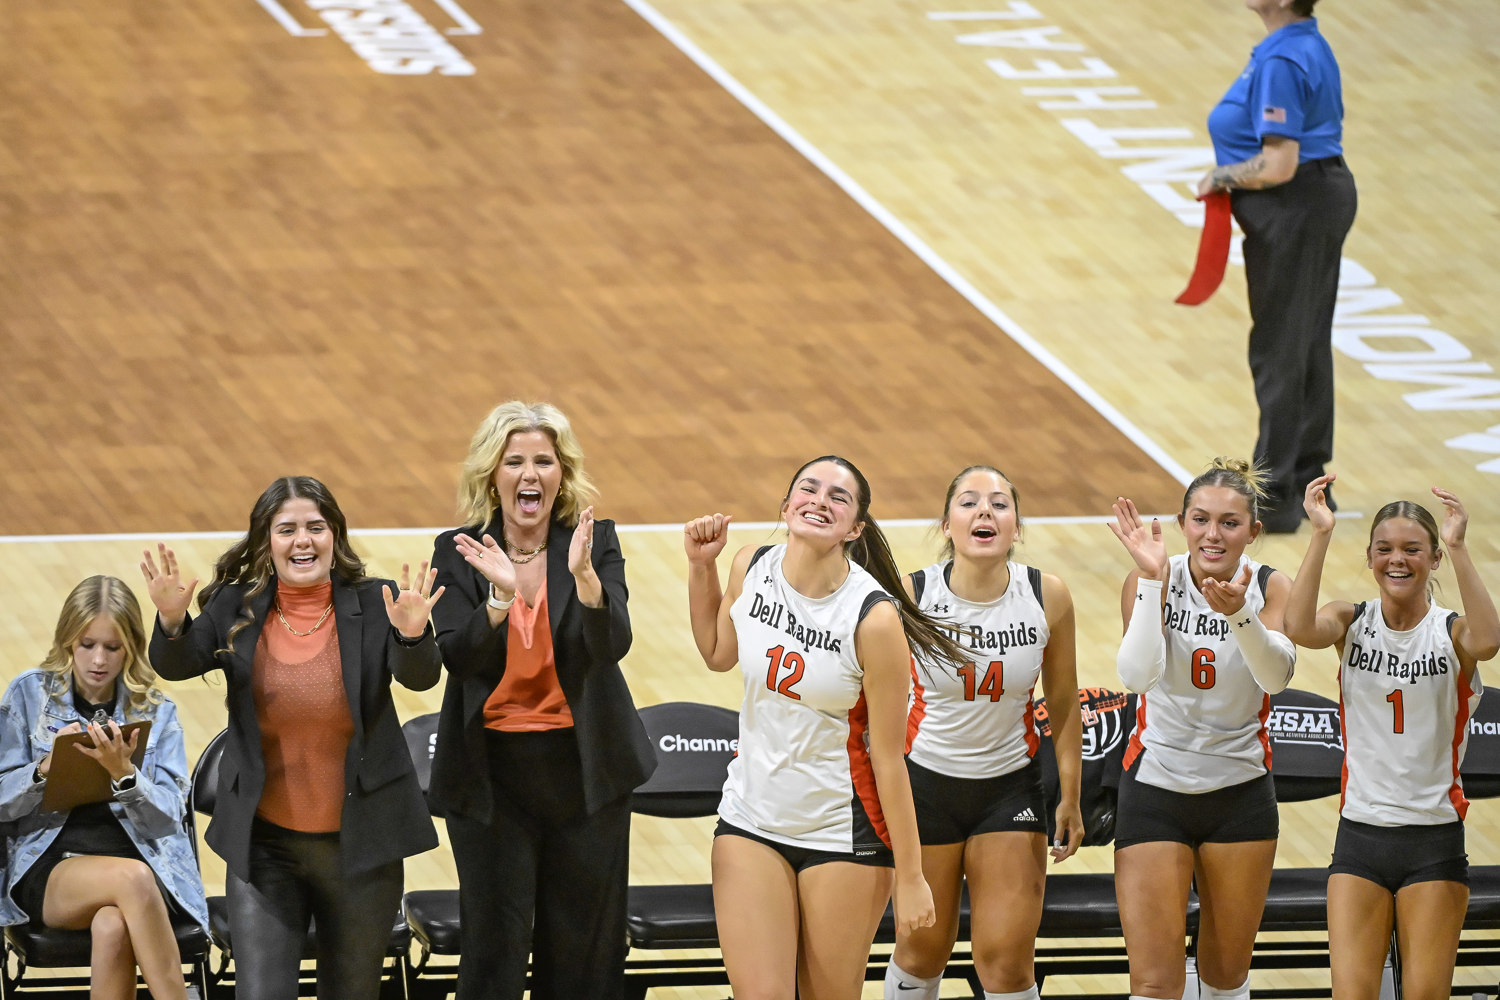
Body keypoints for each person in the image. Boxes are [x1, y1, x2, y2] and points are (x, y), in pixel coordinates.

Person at [140, 475, 444, 1000]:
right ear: (266, 542)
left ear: (335, 536)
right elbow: (180, 662)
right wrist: (172, 619)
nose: (302, 540)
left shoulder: (375, 602)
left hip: (361, 848)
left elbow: (421, 676)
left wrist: (413, 635)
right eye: (286, 529)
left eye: (315, 527)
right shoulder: (237, 605)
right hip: (267, 851)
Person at [684, 455, 966, 1000]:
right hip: (751, 819)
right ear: (786, 506)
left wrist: (911, 876)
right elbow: (718, 652)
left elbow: (889, 758)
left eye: (839, 496)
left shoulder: (873, 618)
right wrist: (701, 569)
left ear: (855, 527)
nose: (820, 499)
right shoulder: (751, 565)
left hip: (842, 834)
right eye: (808, 489)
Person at [428, 401, 655, 1000]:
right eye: (515, 461)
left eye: (544, 462)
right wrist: (499, 602)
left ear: (562, 474)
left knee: (584, 952)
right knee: (494, 953)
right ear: (491, 474)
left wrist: (584, 579)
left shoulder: (593, 541)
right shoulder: (457, 551)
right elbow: (457, 656)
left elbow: (613, 645)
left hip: (585, 771)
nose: (530, 474)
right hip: (491, 777)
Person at [1283, 476, 1497, 1000]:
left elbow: (1490, 640)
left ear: (1433, 560)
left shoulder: (1452, 634)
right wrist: (1320, 534)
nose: (1396, 560)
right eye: (1384, 549)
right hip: (1360, 836)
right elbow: (1297, 626)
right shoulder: (1350, 620)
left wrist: (1460, 545)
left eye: (1412, 550)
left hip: (1432, 838)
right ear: (1371, 558)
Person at [884, 466, 1084, 1000]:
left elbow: (1063, 703)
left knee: (1007, 962)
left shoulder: (1048, 595)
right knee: (922, 952)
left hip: (1010, 791)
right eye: (969, 503)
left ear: (1016, 527)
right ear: (947, 524)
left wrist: (1071, 795)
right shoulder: (910, 597)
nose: (984, 512)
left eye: (999, 504)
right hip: (924, 787)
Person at [1110, 458, 1297, 1000]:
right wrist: (1149, 582)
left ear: (1253, 531)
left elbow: (1276, 677)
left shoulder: (1270, 587)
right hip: (1156, 790)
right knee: (1152, 980)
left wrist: (1241, 616)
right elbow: (1136, 675)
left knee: (1224, 974)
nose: (1213, 534)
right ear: (1182, 521)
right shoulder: (1151, 577)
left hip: (1240, 793)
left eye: (1230, 522)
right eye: (1200, 519)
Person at [0, 576, 209, 1000]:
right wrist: (43, 770)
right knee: (131, 880)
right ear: (67, 642)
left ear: (131, 646)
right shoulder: (29, 694)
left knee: (112, 924)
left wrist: (126, 779)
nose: (99, 659)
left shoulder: (157, 711)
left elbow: (171, 816)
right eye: (87, 645)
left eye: (112, 648)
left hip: (144, 867)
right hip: (51, 868)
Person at [1197, 0, 1357, 532]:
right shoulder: (1299, 43)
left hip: (1296, 207)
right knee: (1303, 341)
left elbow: (1278, 162)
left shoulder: (1284, 60)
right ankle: (1308, 481)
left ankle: (1274, 494)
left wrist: (1223, 177)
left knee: (1280, 348)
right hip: (1313, 201)